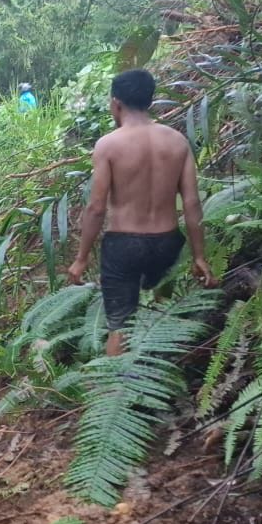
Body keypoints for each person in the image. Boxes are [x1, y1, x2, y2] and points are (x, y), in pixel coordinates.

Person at [65, 68, 216, 356]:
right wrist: (199, 256)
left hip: (124, 245)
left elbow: (96, 207)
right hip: (168, 242)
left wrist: (81, 259)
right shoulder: (177, 142)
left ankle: (113, 392)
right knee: (162, 316)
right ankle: (159, 373)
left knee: (120, 325)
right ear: (150, 101)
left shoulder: (108, 145)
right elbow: (192, 203)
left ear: (115, 103)